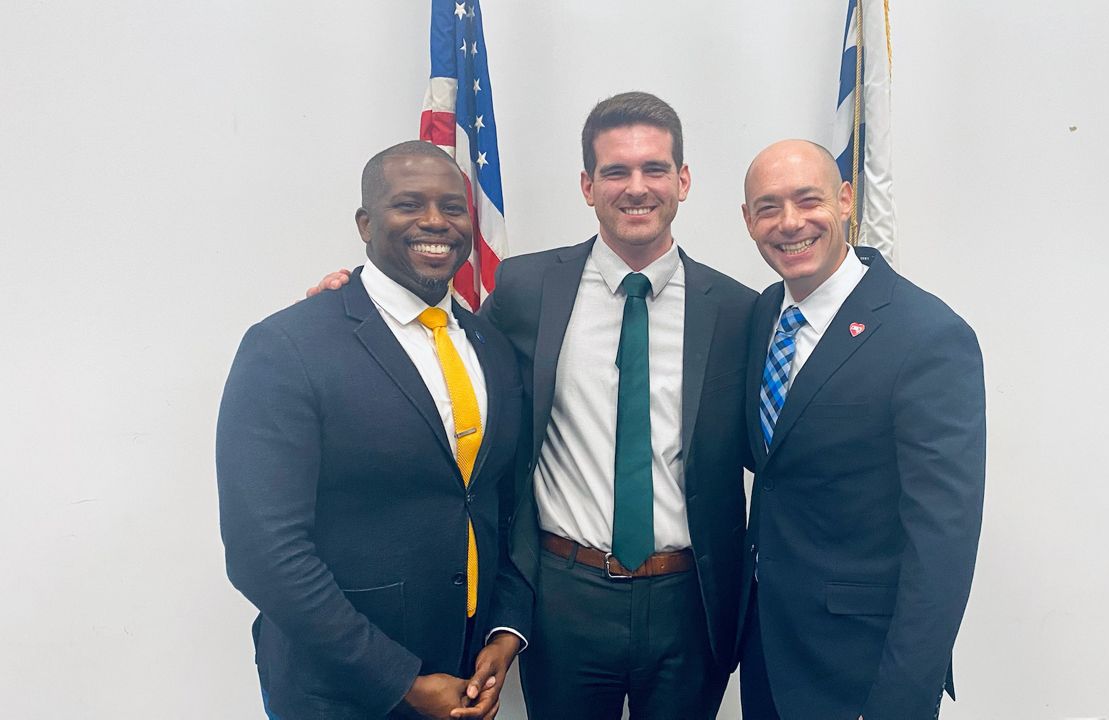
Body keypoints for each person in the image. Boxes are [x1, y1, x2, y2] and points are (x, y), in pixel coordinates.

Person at [309, 92, 756, 719]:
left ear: (682, 181)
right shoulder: (525, 289)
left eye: (654, 169)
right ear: (586, 184)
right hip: (565, 597)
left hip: (691, 600)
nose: (636, 188)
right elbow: (441, 344)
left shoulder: (740, 311)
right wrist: (352, 296)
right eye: (615, 171)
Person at [217, 141, 528, 720]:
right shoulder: (287, 347)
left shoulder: (491, 347)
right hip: (338, 687)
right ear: (365, 223)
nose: (436, 221)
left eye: (452, 207)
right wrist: (402, 679)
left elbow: (499, 503)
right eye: (409, 203)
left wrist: (506, 628)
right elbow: (263, 553)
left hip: (466, 675)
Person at [736, 139, 986, 720]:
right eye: (768, 207)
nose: (790, 222)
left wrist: (903, 699)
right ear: (748, 221)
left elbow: (942, 543)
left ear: (846, 200)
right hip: (769, 653)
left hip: (863, 671)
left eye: (808, 200)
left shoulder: (926, 336)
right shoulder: (761, 317)